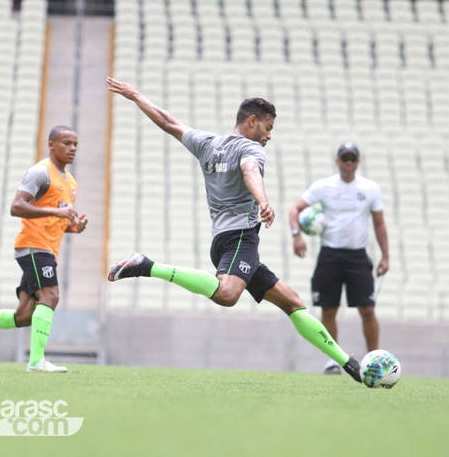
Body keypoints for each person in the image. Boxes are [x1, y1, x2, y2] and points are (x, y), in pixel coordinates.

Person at [104, 77, 362, 383]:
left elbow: (169, 122)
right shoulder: (250, 149)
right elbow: (249, 170)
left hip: (225, 240)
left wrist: (136, 96)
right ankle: (147, 266)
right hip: (241, 236)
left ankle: (350, 365)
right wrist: (263, 200)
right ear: (252, 122)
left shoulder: (208, 144)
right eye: (268, 129)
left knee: (293, 303)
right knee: (227, 294)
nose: (269, 137)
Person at [0, 126, 88, 372]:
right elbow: (17, 207)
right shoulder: (39, 173)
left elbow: (52, 218)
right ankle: (36, 362)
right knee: (51, 296)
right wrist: (56, 211)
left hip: (46, 249)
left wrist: (71, 228)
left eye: (75, 143)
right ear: (51, 145)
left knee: (23, 316)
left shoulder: (71, 183)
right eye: (67, 143)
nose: (73, 148)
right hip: (33, 245)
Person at [289, 142, 389, 375]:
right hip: (330, 255)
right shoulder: (324, 186)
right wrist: (297, 236)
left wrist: (385, 256)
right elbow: (294, 209)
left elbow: (379, 223)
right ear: (337, 161)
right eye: (344, 158)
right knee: (329, 309)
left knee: (367, 308)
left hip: (358, 256)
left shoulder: (370, 188)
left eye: (352, 159)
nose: (348, 163)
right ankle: (333, 359)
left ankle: (375, 359)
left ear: (358, 162)